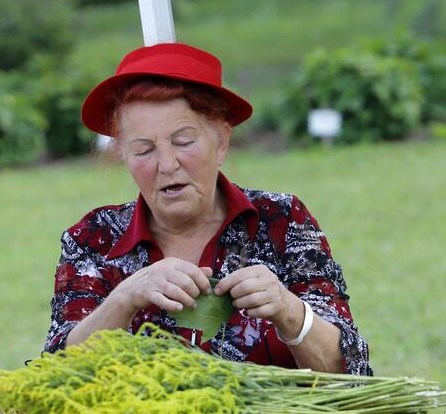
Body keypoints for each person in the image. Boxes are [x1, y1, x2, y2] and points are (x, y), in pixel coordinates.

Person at [44, 43, 371, 375]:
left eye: (184, 142)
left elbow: (350, 372)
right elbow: (57, 376)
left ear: (222, 142)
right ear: (123, 155)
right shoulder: (94, 238)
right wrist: (124, 297)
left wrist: (289, 311)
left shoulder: (281, 220)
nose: (167, 164)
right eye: (144, 150)